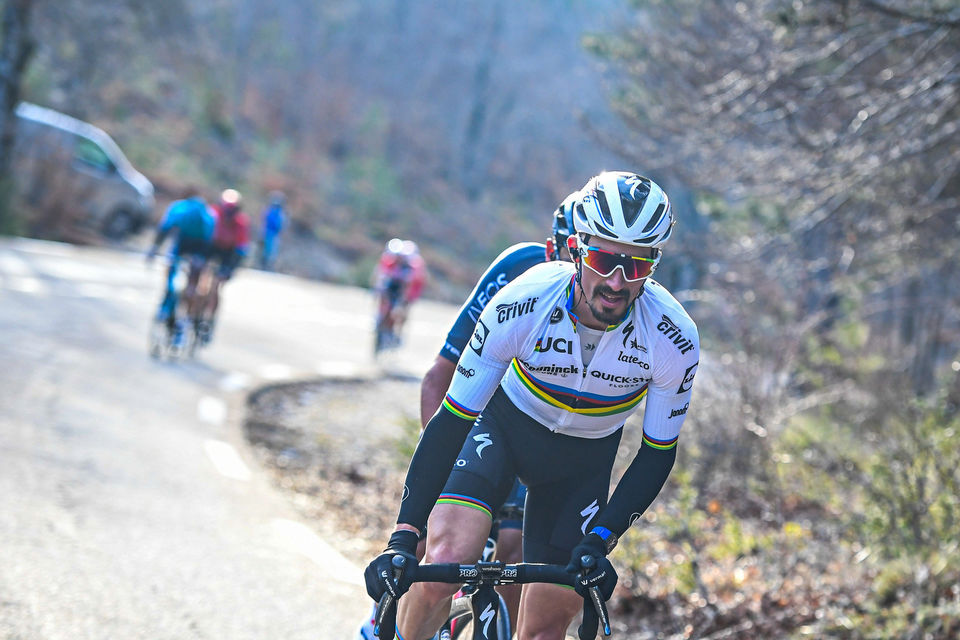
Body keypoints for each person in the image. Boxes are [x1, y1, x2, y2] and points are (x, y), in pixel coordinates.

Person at [364, 171, 700, 640]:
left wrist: (603, 539)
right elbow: (450, 422)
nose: (617, 281)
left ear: (654, 265)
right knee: (441, 567)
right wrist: (405, 535)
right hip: (500, 432)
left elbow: (658, 452)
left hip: (580, 466)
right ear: (580, 248)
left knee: (543, 630)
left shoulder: (672, 338)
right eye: (604, 259)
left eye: (637, 266)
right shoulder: (523, 301)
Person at [354, 193, 580, 640]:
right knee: (440, 553)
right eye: (566, 254)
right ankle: (397, 624)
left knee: (518, 553)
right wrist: (444, 473)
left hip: (544, 443)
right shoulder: (517, 269)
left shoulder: (617, 305)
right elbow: (440, 375)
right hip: (483, 425)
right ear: (551, 247)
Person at [146, 186, 215, 347]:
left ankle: (166, 307)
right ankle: (184, 322)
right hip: (198, 251)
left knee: (171, 279)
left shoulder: (178, 208)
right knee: (192, 287)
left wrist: (154, 250)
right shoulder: (207, 214)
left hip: (179, 247)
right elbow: (209, 240)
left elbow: (164, 229)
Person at [199, 188, 250, 343]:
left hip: (228, 253)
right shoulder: (214, 213)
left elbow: (241, 248)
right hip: (212, 247)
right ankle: (194, 312)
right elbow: (204, 234)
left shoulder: (240, 222)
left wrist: (230, 269)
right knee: (201, 281)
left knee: (216, 286)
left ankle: (209, 319)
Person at [371, 238, 427, 347]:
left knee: (401, 311)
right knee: (383, 301)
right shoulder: (389, 261)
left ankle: (398, 334)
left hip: (406, 291)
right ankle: (379, 319)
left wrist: (403, 300)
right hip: (392, 287)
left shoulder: (412, 266)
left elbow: (409, 287)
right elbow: (379, 276)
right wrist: (376, 289)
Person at [258, 191, 285, 270]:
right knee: (267, 250)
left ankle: (266, 266)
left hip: (272, 234)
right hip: (268, 233)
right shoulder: (273, 211)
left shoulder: (277, 212)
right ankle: (264, 266)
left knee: (270, 251)